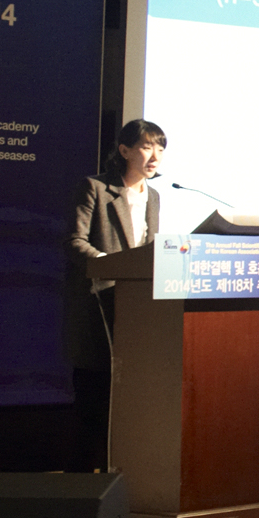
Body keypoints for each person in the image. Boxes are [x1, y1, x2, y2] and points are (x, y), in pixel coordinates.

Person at [64, 119, 165, 472]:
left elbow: (149, 251)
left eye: (161, 148)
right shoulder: (94, 187)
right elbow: (74, 242)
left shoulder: (154, 196)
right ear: (124, 150)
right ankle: (78, 483)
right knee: (92, 400)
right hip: (98, 309)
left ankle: (117, 478)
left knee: (125, 405)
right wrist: (110, 263)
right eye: (147, 147)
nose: (155, 156)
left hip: (136, 310)